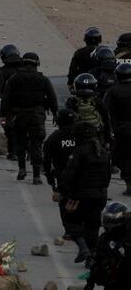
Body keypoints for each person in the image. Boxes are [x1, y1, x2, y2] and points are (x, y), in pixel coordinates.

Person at [1, 52, 59, 183]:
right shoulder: (43, 80)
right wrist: (56, 114)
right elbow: (52, 98)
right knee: (36, 145)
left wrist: (4, 115)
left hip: (19, 116)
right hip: (36, 116)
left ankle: (22, 169)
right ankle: (37, 175)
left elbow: (6, 98)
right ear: (36, 64)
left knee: (21, 142)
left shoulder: (14, 78)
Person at [61, 120, 112, 264]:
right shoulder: (102, 151)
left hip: (81, 196)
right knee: (93, 226)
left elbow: (70, 174)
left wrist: (65, 191)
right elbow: (108, 176)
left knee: (70, 220)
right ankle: (91, 257)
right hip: (100, 195)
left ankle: (84, 248)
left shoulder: (79, 151)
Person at [43, 109, 78, 241]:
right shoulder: (81, 135)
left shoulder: (53, 138)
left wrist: (50, 179)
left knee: (64, 202)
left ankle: (69, 229)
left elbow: (46, 160)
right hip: (82, 176)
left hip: (63, 177)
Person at [0, 44, 23, 160]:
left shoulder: (3, 71)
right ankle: (25, 151)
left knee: (9, 127)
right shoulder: (27, 69)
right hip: (28, 103)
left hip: (9, 104)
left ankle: (13, 152)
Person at [85, 202, 131, 289]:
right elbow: (96, 261)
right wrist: (89, 283)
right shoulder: (104, 239)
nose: (109, 226)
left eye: (111, 221)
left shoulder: (128, 237)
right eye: (107, 221)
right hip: (113, 282)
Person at [104, 62, 131, 196]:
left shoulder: (113, 91)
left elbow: (105, 111)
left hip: (121, 130)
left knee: (124, 157)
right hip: (122, 128)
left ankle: (129, 184)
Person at [68, 73, 111, 143]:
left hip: (78, 135)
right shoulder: (97, 101)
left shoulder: (72, 101)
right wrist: (108, 140)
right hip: (97, 134)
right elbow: (106, 119)